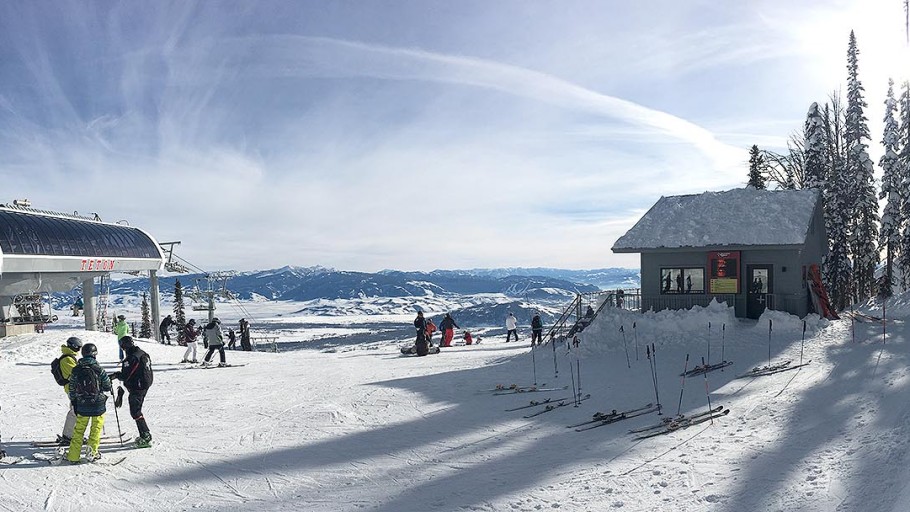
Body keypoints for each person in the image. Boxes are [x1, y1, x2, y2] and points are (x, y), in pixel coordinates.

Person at [66, 343, 112, 463]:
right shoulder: (99, 369)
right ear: (94, 354)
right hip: (98, 405)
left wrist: (74, 401)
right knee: (96, 429)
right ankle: (92, 453)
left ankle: (73, 456)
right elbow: (107, 386)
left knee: (79, 430)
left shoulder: (76, 369)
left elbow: (72, 388)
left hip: (82, 405)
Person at [110, 336, 154, 448]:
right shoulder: (142, 353)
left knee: (135, 411)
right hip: (144, 384)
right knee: (136, 410)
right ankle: (145, 434)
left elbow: (125, 375)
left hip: (137, 386)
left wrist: (116, 375)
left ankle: (146, 435)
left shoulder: (131, 358)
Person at [56, 336, 82, 445]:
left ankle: (70, 435)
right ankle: (68, 436)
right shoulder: (67, 359)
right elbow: (76, 374)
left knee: (76, 411)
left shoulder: (70, 357)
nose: (79, 350)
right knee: (75, 411)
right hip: (72, 389)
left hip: (74, 388)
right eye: (78, 348)